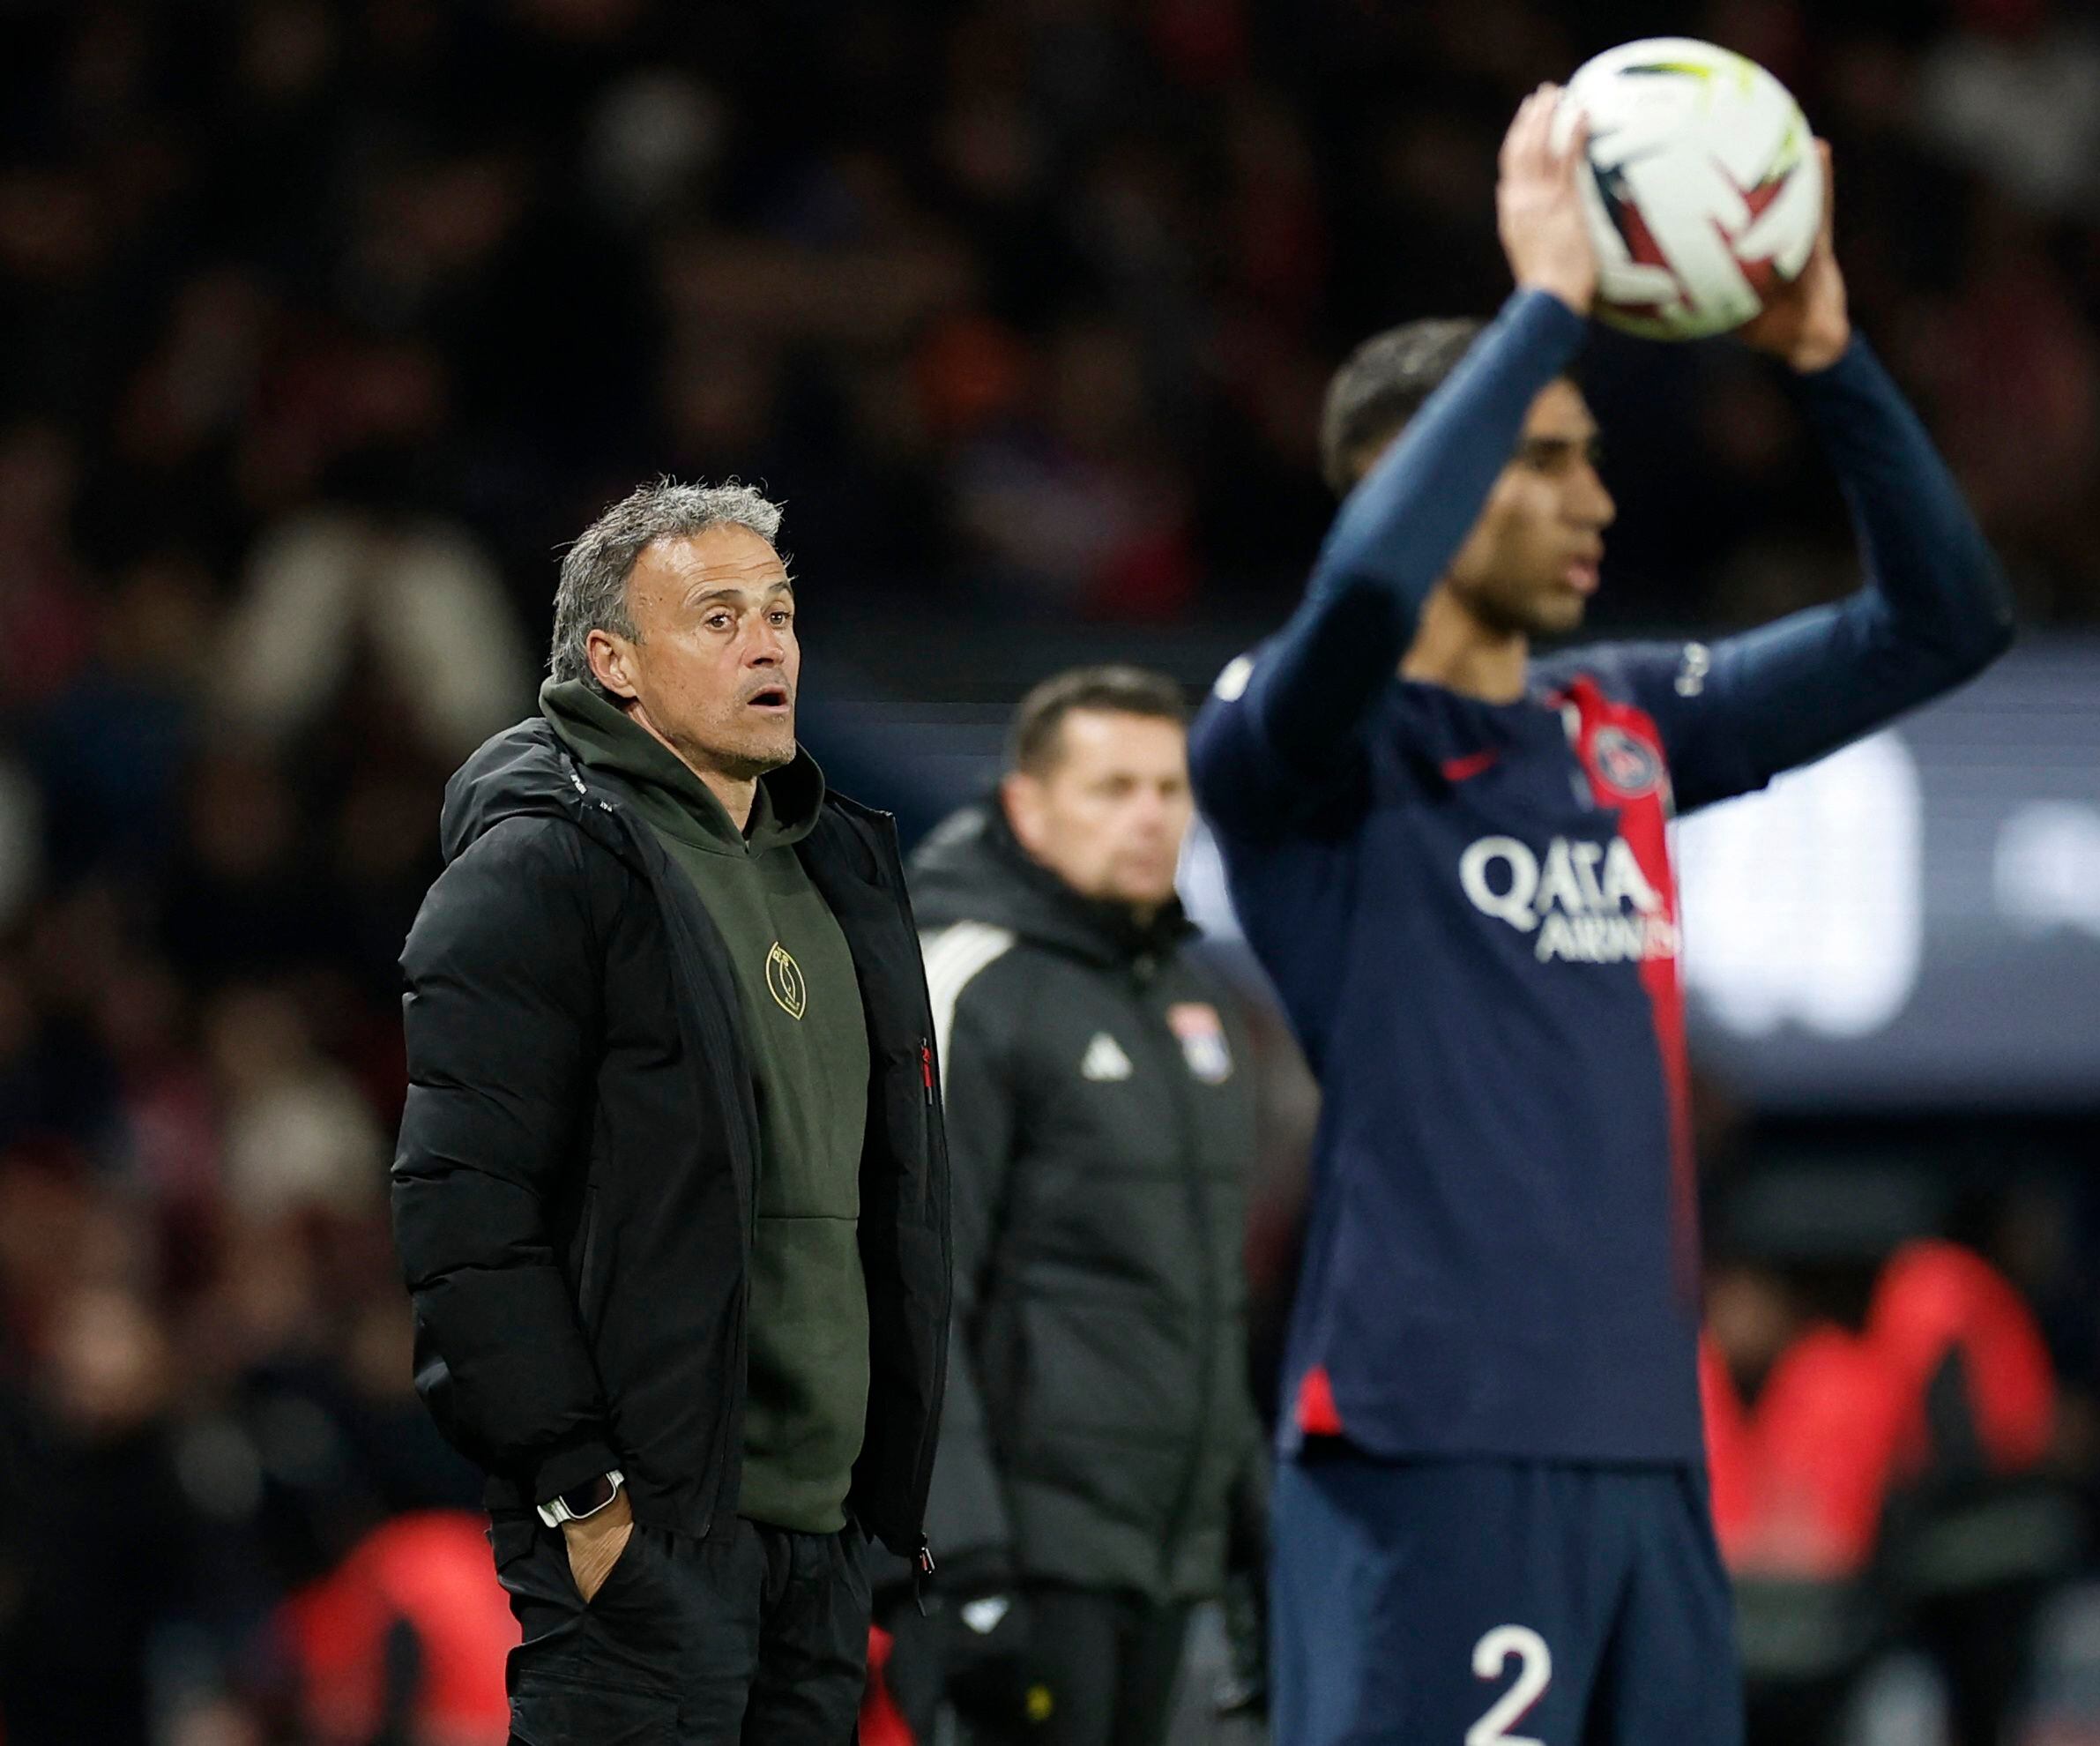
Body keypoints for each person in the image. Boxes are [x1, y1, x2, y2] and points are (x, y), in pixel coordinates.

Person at [1189, 86, 2015, 1742]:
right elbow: (1360, 599)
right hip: (1429, 1439)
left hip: (1642, 1446)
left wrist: (1827, 355)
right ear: (1413, 480)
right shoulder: (1300, 744)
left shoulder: (1622, 722)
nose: (1597, 506)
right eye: (1544, 464)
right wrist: (1548, 300)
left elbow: (1943, 623)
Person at [390, 480, 950, 1744]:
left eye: (779, 614)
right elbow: (463, 1213)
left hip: (820, 1550)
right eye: (716, 617)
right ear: (615, 665)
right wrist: (581, 1499)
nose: (767, 645)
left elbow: (892, 1210)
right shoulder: (543, 865)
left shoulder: (841, 869)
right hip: (648, 1542)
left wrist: (882, 1523)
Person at [878, 666, 1266, 1744]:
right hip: (1022, 1563)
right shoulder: (967, 984)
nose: (1148, 818)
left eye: (1167, 789)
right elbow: (913, 1294)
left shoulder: (1197, 1006)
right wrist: (959, 1563)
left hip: (1166, 1564)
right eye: (1111, 789)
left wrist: (1249, 1545)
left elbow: (1209, 1307)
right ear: (1026, 806)